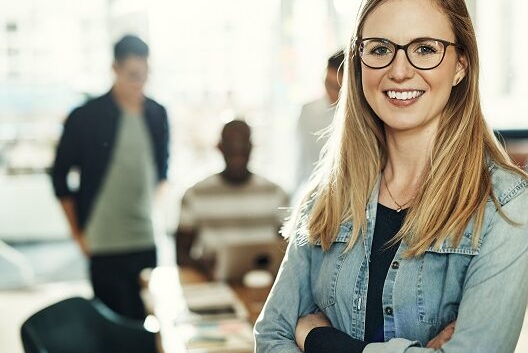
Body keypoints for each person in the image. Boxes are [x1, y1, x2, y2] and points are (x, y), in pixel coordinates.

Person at [254, 0, 528, 352]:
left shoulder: (505, 205)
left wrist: (319, 339)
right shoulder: (326, 196)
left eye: (425, 49)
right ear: (358, 63)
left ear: (461, 65)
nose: (399, 71)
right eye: (380, 49)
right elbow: (271, 337)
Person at [51, 35, 169, 320]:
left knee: (148, 326)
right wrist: (77, 233)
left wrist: (151, 213)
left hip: (144, 240)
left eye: (144, 74)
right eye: (132, 75)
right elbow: (59, 175)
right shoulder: (86, 116)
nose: (139, 82)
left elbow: (162, 171)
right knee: (112, 330)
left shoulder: (157, 113)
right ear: (115, 69)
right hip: (103, 240)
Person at [176, 120, 288, 279]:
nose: (237, 149)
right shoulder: (195, 194)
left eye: (242, 145)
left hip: (263, 285)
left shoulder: (276, 193)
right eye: (231, 146)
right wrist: (204, 266)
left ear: (251, 147)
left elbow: (290, 250)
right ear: (220, 147)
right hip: (214, 285)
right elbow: (181, 255)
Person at [295, 49, 344, 193]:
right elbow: (301, 161)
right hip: (316, 194)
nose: (330, 92)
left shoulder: (365, 116)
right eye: (327, 83)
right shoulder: (308, 112)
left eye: (337, 87)